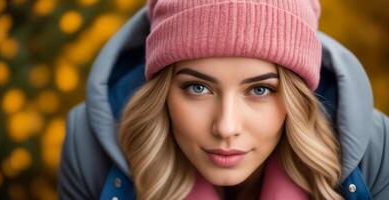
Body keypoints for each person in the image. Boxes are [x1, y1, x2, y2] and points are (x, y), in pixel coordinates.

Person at [58, 0, 389, 200]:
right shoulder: (88, 146)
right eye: (198, 88)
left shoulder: (376, 148)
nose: (226, 127)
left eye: (259, 90)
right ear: (162, 89)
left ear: (297, 95)